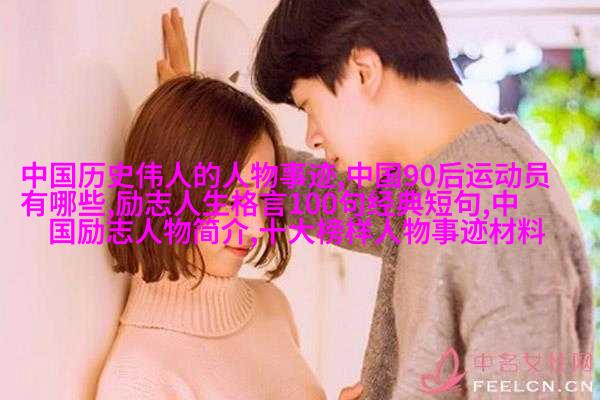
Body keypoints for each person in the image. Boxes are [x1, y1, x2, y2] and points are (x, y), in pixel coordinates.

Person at [159, 2, 594, 399]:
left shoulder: (505, 204)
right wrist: (202, 135)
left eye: (309, 106)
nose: (312, 135)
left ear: (363, 71)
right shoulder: (430, 185)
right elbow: (310, 192)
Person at [96, 75, 328, 399]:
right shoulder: (139, 378)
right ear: (168, 191)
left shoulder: (272, 306)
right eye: (231, 199)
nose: (256, 226)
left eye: (263, 197)